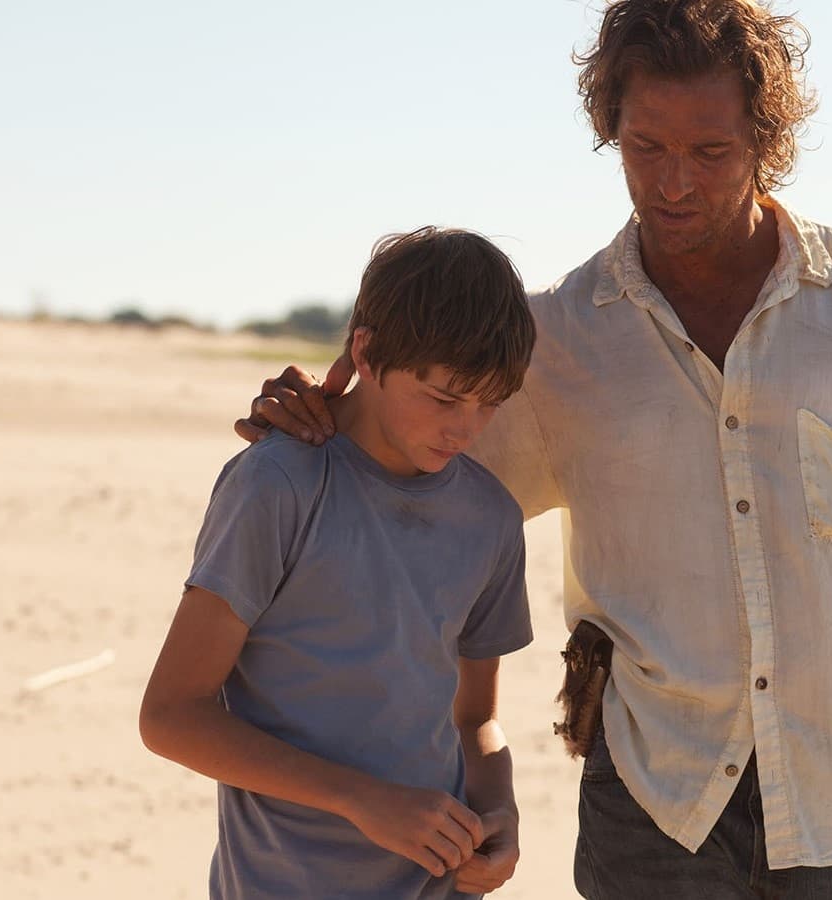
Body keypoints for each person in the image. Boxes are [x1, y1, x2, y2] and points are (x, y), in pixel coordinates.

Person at [240, 2, 832, 897]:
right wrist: (317, 419)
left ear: (766, 140)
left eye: (710, 152)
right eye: (646, 147)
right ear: (612, 127)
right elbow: (404, 462)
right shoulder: (556, 342)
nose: (674, 183)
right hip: (652, 811)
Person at [140, 226, 538, 899]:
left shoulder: (492, 517)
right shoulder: (278, 485)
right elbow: (171, 716)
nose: (466, 429)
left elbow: (474, 720)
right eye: (444, 398)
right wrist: (362, 800)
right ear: (366, 351)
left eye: (490, 404)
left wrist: (501, 811)